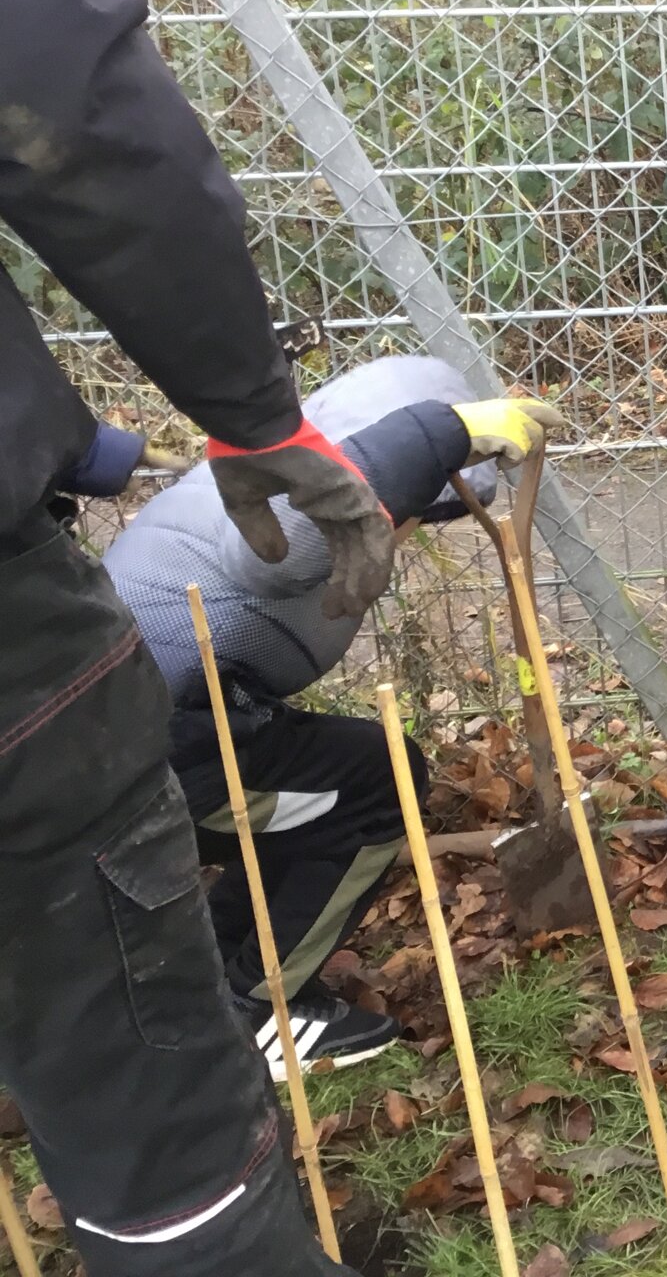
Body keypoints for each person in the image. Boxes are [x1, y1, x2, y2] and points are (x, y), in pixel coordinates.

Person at [1, 0, 388, 1275]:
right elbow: (67, 107)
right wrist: (246, 402)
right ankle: (242, 1020)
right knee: (160, 1132)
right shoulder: (391, 448)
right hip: (94, 690)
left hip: (157, 657)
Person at [87, 357, 560, 1080]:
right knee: (373, 786)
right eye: (410, 513)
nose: (408, 532)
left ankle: (213, 983)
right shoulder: (287, 496)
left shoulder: (268, 459)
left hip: (129, 730)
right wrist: (445, 433)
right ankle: (266, 1014)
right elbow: (278, 555)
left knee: (318, 783)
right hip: (132, 761)